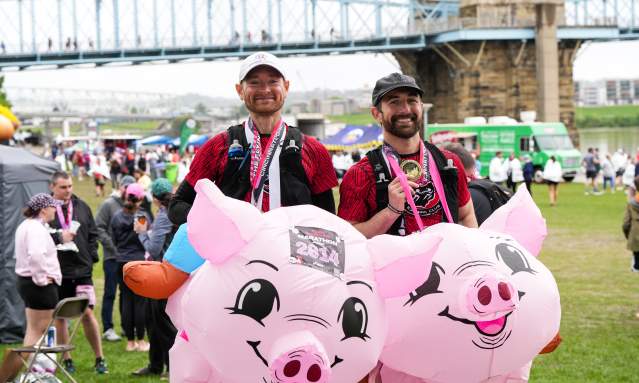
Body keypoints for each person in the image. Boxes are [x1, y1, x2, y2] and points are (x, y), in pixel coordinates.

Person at [169, 51, 337, 226]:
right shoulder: (217, 146)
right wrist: (218, 221)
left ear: (286, 87)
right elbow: (177, 206)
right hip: (236, 251)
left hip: (291, 252)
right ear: (240, 90)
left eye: (273, 81)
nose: (264, 90)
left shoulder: (313, 149)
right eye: (254, 83)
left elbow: (328, 219)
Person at [338, 73, 477, 239]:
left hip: (445, 263)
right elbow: (349, 238)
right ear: (377, 114)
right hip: (393, 264)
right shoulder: (360, 174)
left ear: (421, 106)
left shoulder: (449, 162)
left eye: (412, 100)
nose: (405, 109)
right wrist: (391, 211)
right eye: (394, 102)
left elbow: (466, 214)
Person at [48, 171, 108, 374]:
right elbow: (42, 236)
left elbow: (92, 233)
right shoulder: (47, 210)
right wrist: (58, 240)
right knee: (61, 315)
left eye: (70, 186)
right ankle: (67, 359)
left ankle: (99, 358)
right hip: (59, 271)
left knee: (87, 312)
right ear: (53, 187)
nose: (68, 191)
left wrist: (91, 255)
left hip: (82, 270)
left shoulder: (81, 206)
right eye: (63, 187)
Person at [0, 194, 62, 382]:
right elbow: (36, 256)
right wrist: (42, 280)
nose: (55, 210)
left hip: (28, 282)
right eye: (53, 206)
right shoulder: (36, 228)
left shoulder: (26, 225)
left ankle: (22, 372)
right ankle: (8, 375)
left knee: (33, 330)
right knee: (37, 333)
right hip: (38, 285)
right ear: (43, 209)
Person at [131, 179, 177, 378]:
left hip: (161, 274)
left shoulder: (164, 216)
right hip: (169, 272)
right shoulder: (175, 212)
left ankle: (171, 366)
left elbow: (153, 248)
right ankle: (156, 364)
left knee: (163, 324)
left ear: (156, 199)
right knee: (153, 321)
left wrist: (142, 233)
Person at [95, 175, 137, 343]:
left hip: (129, 257)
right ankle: (108, 328)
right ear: (121, 188)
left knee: (127, 294)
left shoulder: (135, 205)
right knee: (110, 292)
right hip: (112, 257)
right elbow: (98, 227)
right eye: (125, 189)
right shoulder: (108, 205)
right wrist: (112, 246)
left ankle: (127, 327)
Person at [111, 183, 152, 352]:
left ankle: (129, 341)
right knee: (140, 301)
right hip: (137, 261)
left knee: (126, 300)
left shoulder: (117, 216)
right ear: (141, 198)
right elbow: (143, 239)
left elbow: (113, 239)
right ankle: (141, 340)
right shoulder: (141, 216)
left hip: (121, 260)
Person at [622, 176, 639, 274]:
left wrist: (628, 235)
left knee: (636, 262)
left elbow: (625, 224)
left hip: (635, 235)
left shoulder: (631, 203)